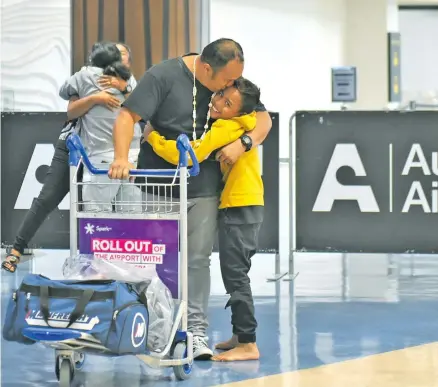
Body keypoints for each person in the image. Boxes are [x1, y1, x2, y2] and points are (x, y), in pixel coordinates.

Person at [107, 38, 272, 360]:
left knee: (197, 262)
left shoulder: (233, 88)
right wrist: (121, 157)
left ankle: (196, 332)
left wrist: (245, 143)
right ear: (207, 69)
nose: (229, 87)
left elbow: (263, 119)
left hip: (205, 190)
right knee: (157, 262)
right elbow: (127, 117)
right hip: (158, 186)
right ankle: (159, 327)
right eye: (225, 82)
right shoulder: (163, 76)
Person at [145, 78, 263, 361]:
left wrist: (152, 137)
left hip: (240, 206)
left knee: (235, 275)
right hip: (241, 204)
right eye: (221, 95)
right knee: (232, 271)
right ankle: (239, 334)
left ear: (239, 111)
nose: (219, 103)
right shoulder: (244, 122)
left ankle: (248, 343)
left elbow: (189, 156)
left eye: (228, 104)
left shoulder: (226, 126)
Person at [1, 42, 137, 273]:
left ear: (128, 61)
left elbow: (138, 110)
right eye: (115, 54)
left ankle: (106, 265)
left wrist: (123, 89)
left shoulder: (131, 83)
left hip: (106, 154)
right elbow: (71, 111)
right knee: (48, 198)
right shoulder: (88, 76)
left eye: (123, 54)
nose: (119, 58)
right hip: (73, 146)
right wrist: (97, 98)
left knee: (107, 208)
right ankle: (17, 248)